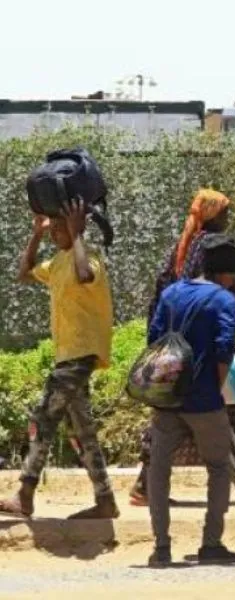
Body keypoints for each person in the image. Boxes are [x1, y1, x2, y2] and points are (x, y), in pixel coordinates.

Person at [0, 201, 118, 520]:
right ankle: (105, 499)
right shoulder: (56, 263)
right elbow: (23, 273)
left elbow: (84, 274)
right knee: (83, 429)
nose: (55, 234)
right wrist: (36, 235)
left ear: (77, 228)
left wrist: (78, 234)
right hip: (67, 355)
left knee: (43, 418)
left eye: (59, 228)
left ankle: (25, 494)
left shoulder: (89, 257)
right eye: (53, 229)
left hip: (81, 354)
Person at [145, 234, 235, 567]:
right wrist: (213, 390)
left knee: (159, 470)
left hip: (168, 398)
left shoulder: (172, 292)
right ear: (226, 273)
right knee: (219, 468)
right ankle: (211, 544)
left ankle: (161, 548)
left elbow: (154, 339)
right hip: (203, 400)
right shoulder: (224, 300)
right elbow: (224, 350)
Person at [131, 189, 231, 504]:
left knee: (170, 411)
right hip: (193, 344)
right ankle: (148, 486)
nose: (229, 218)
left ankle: (147, 485)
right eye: (225, 212)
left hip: (170, 342)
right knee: (186, 412)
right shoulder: (207, 246)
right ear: (213, 215)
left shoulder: (184, 244)